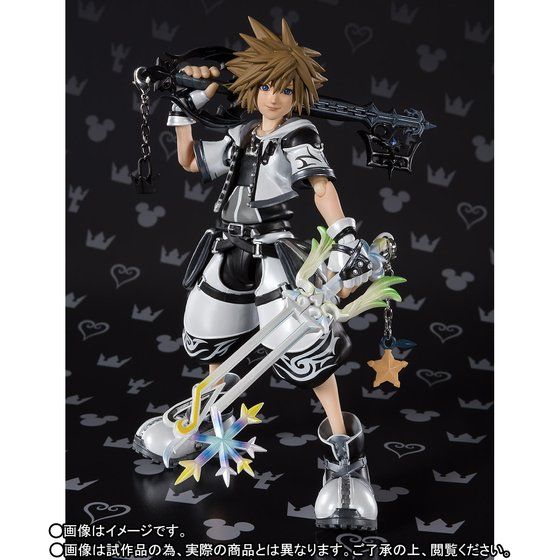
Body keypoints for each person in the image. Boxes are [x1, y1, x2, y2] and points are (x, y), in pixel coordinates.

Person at [134, 16, 381, 531]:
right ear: (252, 87)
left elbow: (321, 187)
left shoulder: (299, 134)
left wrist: (345, 236)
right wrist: (189, 102)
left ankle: (344, 455)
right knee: (214, 337)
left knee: (305, 345)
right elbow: (189, 160)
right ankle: (204, 420)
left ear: (298, 95)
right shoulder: (243, 132)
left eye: (286, 89)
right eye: (266, 86)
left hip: (272, 250)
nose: (274, 97)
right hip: (226, 247)